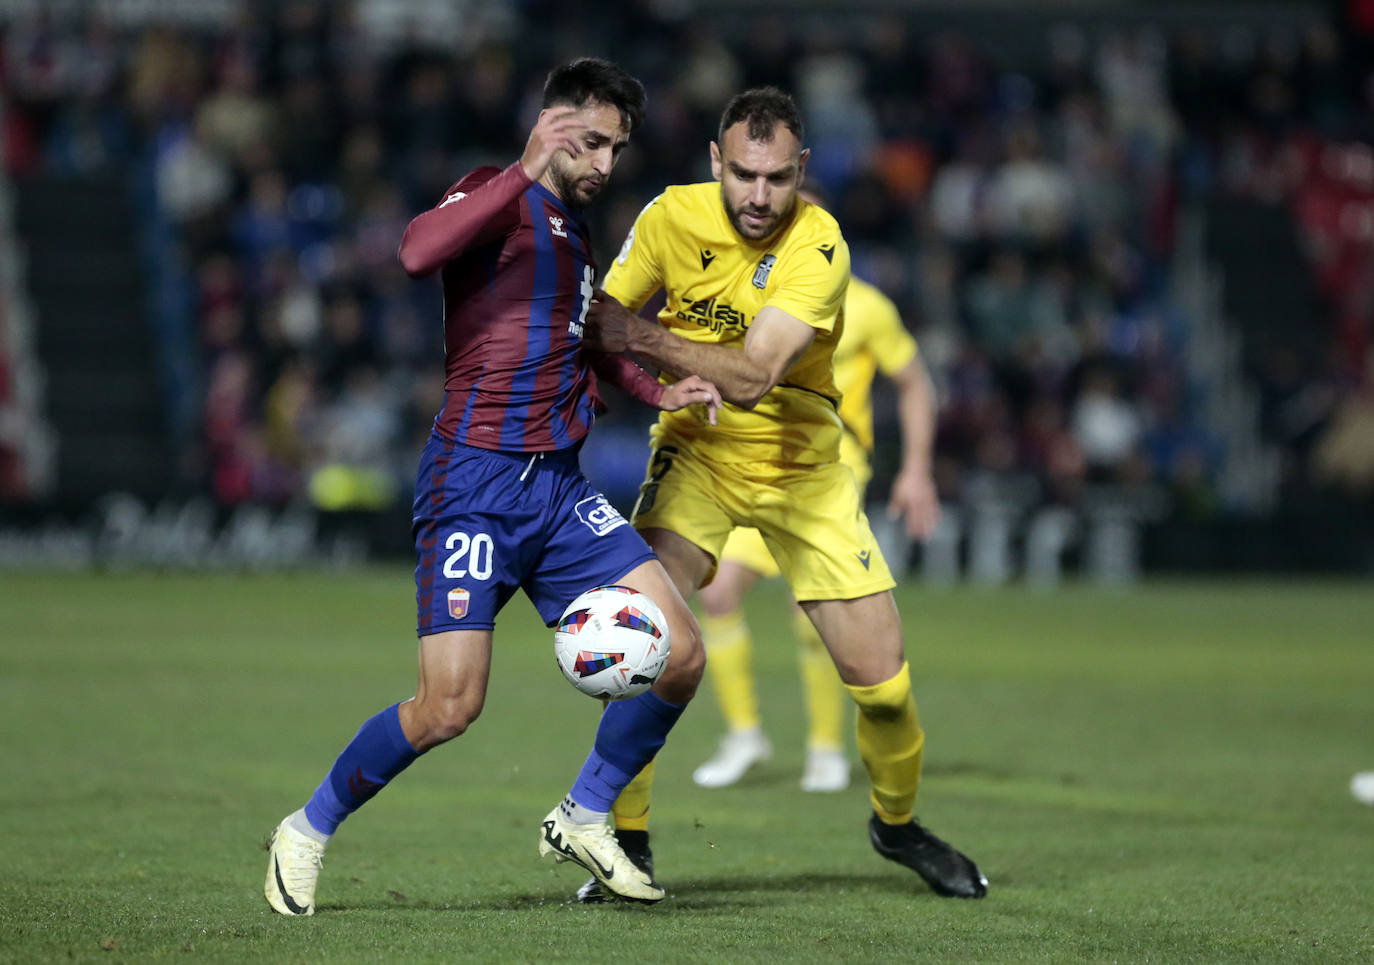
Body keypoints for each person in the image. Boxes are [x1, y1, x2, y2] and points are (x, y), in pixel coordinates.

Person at [262, 58, 722, 916]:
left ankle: (585, 812)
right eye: (592, 144)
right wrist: (520, 167)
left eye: (616, 150)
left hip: (556, 490)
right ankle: (307, 826)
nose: (605, 166)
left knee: (684, 654)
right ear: (552, 126)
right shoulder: (492, 194)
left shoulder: (573, 236)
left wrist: (664, 389)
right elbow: (411, 253)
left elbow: (584, 343)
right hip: (473, 483)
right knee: (447, 706)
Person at [578, 87, 987, 901]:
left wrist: (645, 337)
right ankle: (623, 838)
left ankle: (896, 825)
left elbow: (758, 374)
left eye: (776, 178)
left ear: (801, 169)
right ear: (714, 163)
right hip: (697, 452)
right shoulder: (668, 218)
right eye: (742, 175)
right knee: (644, 637)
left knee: (885, 686)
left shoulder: (821, 244)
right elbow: (601, 321)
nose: (758, 196)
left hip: (805, 466)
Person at [691, 191, 942, 793]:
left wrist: (916, 470)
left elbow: (914, 383)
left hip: (831, 462)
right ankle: (745, 735)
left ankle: (826, 747)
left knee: (811, 606)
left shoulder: (865, 305)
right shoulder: (750, 292)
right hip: (758, 462)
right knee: (719, 589)